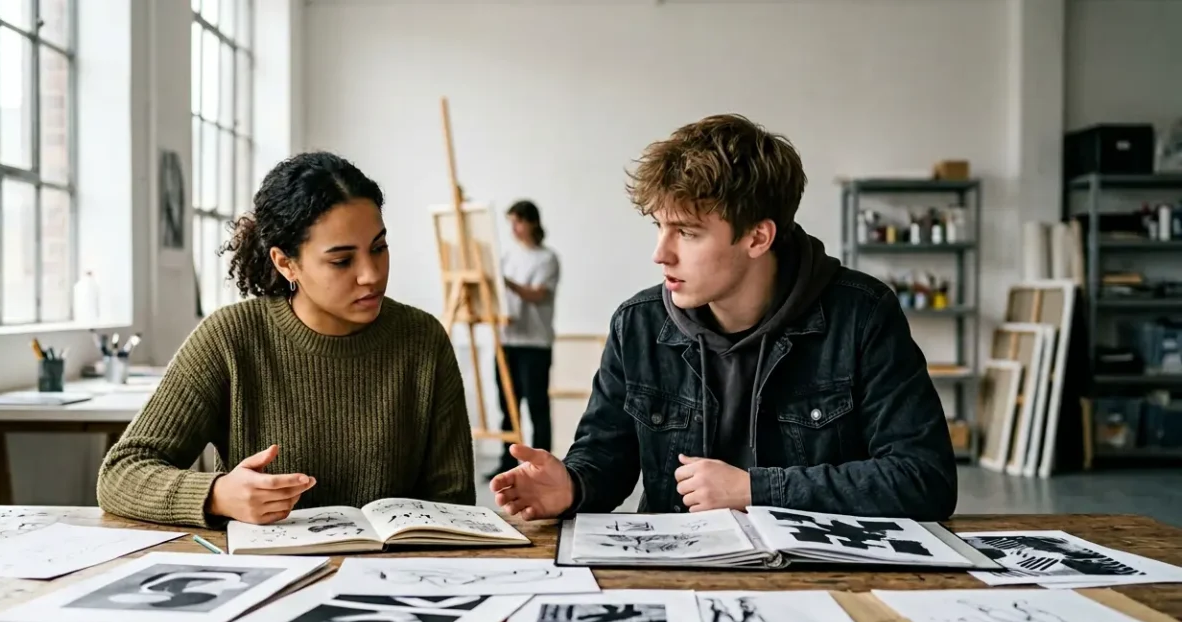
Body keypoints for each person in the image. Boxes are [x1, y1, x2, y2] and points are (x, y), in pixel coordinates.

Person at [489, 114, 958, 522]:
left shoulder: (861, 314)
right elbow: (606, 460)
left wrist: (755, 490)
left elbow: (924, 478)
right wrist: (572, 486)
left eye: (687, 233)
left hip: (818, 582)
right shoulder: (638, 324)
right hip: (679, 576)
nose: (660, 254)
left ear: (757, 238)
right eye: (660, 227)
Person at [97, 151, 475, 529]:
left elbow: (454, 502)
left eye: (379, 248)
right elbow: (121, 473)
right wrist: (217, 495)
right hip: (263, 578)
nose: (371, 275)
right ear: (285, 262)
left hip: (393, 577)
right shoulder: (230, 338)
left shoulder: (424, 340)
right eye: (342, 261)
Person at [487, 200, 561, 479]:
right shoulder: (508, 257)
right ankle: (506, 463)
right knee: (507, 406)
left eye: (518, 221)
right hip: (507, 341)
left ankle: (542, 464)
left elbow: (538, 294)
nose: (514, 229)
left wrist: (507, 283)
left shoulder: (547, 258)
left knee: (537, 407)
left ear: (532, 222)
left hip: (535, 344)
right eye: (511, 223)